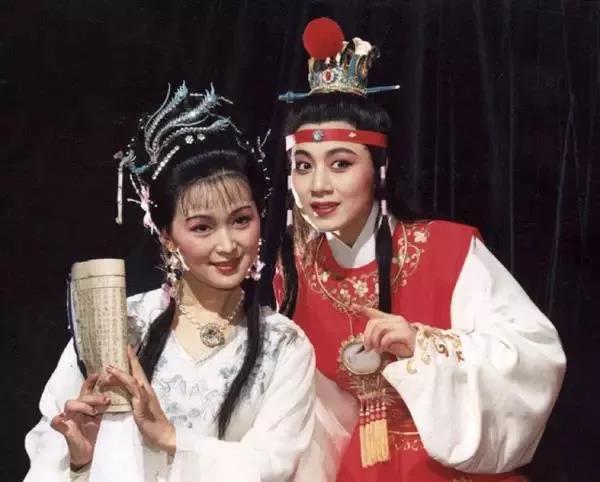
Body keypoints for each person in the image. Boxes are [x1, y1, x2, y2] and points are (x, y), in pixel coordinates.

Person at [275, 18, 566, 482]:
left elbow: (535, 356)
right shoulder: (293, 269)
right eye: (303, 166)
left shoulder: (446, 249)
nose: (318, 186)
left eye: (341, 164)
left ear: (380, 170)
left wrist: (422, 345)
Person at [24, 83, 315, 482]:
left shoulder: (284, 345)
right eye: (202, 227)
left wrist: (171, 438)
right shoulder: (121, 324)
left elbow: (272, 465)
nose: (227, 245)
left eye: (241, 220)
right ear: (167, 236)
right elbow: (47, 449)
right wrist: (80, 460)